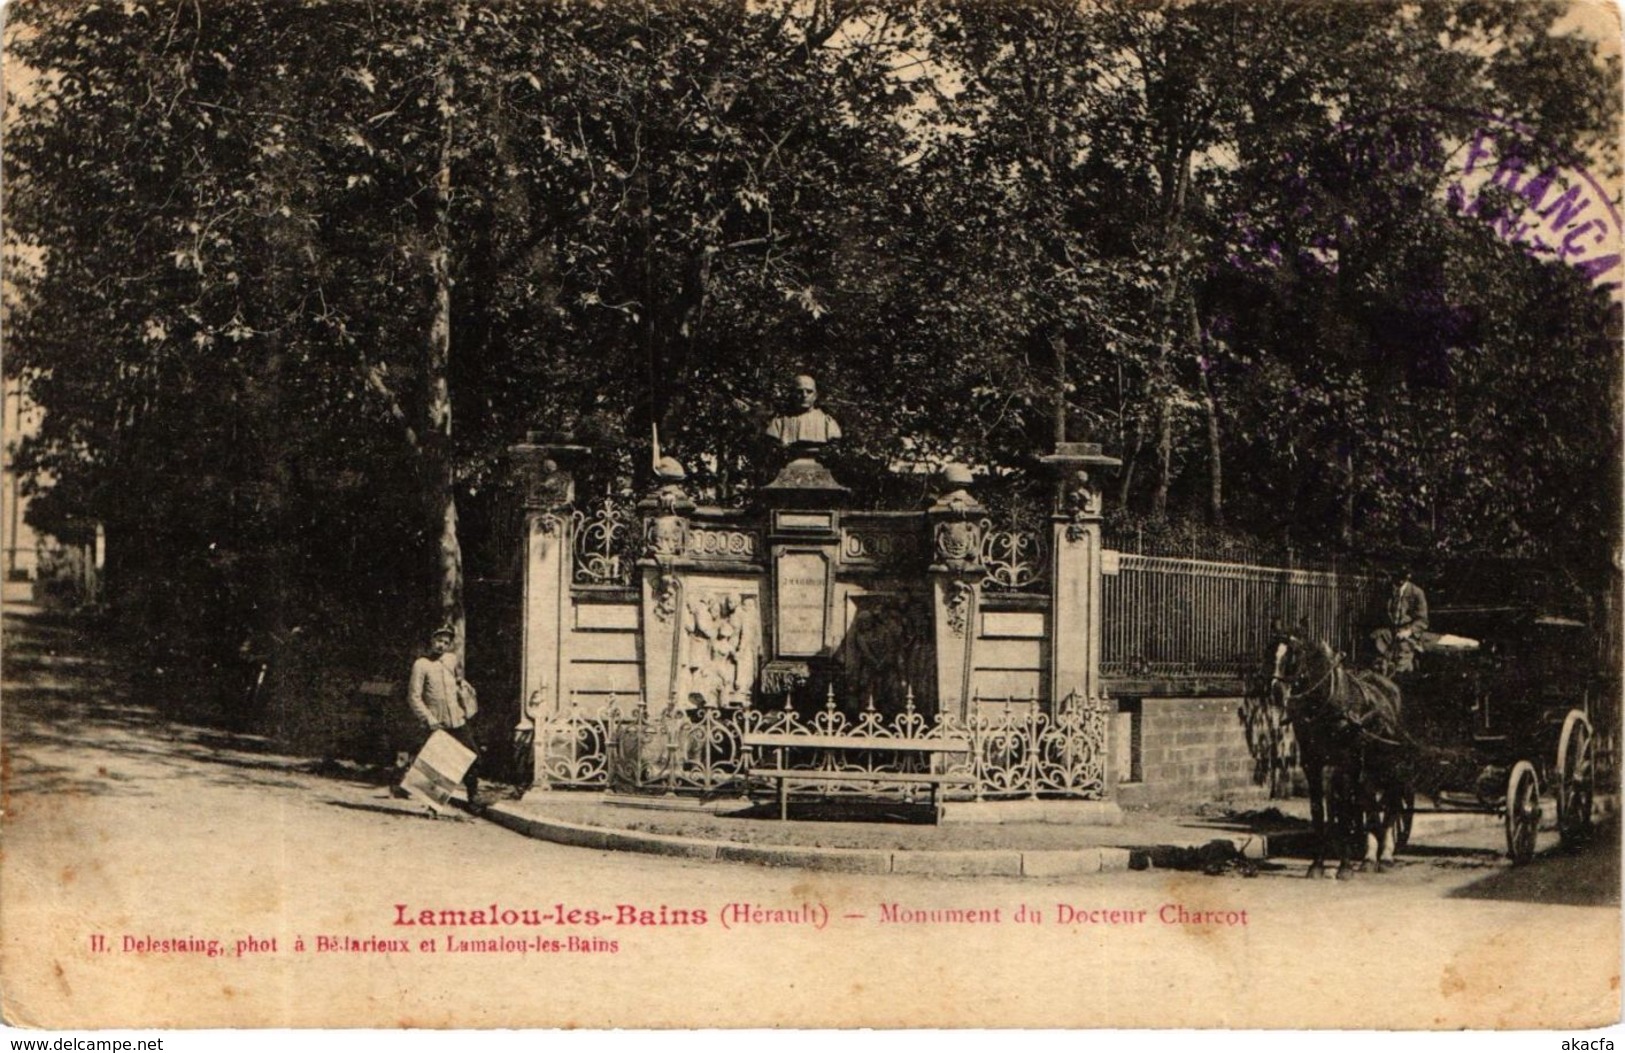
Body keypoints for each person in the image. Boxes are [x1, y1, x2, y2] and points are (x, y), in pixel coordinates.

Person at [402, 625, 480, 804]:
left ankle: (473, 797)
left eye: (446, 642)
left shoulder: (451, 660)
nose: (441, 645)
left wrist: (463, 688)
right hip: (437, 723)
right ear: (431, 641)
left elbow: (458, 681)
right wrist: (429, 719)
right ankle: (431, 804)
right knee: (435, 764)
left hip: (458, 720)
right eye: (438, 640)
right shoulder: (421, 664)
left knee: (472, 756)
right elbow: (414, 697)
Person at [1375, 566, 1429, 673]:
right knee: (1379, 663)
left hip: (1407, 634)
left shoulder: (1417, 593)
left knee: (1401, 666)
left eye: (1403, 578)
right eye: (1396, 577)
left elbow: (1422, 620)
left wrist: (1408, 631)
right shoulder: (1387, 591)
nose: (1399, 581)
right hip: (1390, 632)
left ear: (1408, 577)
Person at [766, 374, 841, 449]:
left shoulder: (826, 422)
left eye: (809, 391)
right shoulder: (779, 422)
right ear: (793, 394)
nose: (804, 395)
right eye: (799, 391)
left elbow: (834, 444)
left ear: (815, 396)